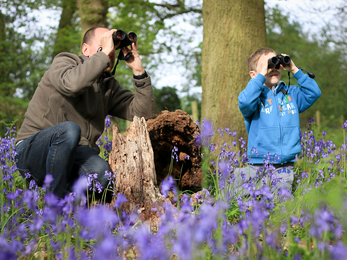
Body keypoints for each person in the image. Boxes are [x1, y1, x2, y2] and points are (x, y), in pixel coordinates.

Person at [15, 27, 155, 199]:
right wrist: (104, 54)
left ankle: (73, 203)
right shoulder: (65, 62)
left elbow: (142, 113)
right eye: (104, 44)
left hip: (76, 153)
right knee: (69, 130)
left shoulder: (108, 86)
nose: (110, 52)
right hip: (34, 150)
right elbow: (72, 84)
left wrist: (138, 72)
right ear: (85, 49)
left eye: (113, 46)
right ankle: (55, 205)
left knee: (101, 176)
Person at [234, 47, 321, 196]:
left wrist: (294, 69)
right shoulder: (254, 97)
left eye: (276, 63)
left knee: (280, 199)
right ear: (253, 74)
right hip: (257, 163)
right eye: (268, 65)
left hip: (284, 165)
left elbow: (314, 93)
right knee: (234, 193)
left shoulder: (291, 93)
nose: (273, 68)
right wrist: (261, 76)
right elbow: (245, 102)